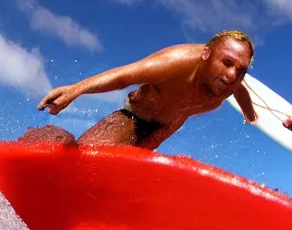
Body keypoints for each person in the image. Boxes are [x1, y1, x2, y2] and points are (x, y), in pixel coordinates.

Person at [24, 30, 258, 150]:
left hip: (161, 132)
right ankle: (46, 138)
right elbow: (123, 77)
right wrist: (76, 90)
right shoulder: (176, 63)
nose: (231, 75)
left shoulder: (231, 83)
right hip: (134, 117)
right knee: (89, 156)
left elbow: (241, 91)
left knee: (117, 174)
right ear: (206, 55)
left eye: (241, 70)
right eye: (226, 62)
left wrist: (250, 114)